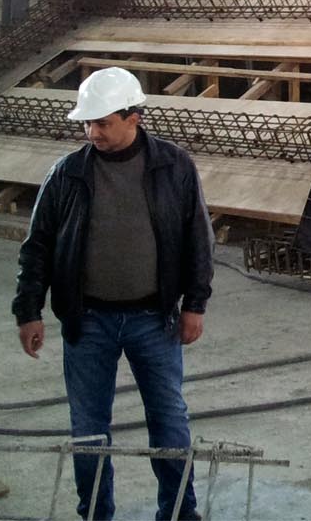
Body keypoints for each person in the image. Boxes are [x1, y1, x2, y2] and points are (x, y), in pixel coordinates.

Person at [13, 67, 214, 521]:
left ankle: (180, 512)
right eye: (88, 123)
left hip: (154, 319)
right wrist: (28, 311)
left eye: (103, 122)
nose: (93, 132)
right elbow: (38, 246)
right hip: (88, 323)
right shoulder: (67, 174)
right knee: (88, 430)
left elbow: (197, 239)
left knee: (169, 422)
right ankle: (95, 515)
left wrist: (195, 305)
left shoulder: (173, 166)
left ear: (133, 117)